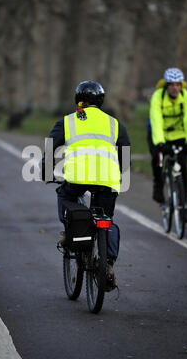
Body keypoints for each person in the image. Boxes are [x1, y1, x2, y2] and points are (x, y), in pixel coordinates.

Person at [42, 81, 130, 288]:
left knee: (65, 196)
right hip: (107, 180)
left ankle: (68, 232)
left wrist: (47, 172)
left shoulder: (68, 121)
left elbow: (49, 149)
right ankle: (107, 264)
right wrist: (118, 174)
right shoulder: (114, 123)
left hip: (77, 179)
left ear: (78, 100)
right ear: (101, 102)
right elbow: (125, 157)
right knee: (106, 218)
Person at [148, 68, 187, 221]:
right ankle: (158, 187)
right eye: (172, 85)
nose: (175, 88)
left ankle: (184, 206)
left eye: (178, 85)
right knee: (157, 157)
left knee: (182, 166)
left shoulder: (186, 97)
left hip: (178, 135)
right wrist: (160, 143)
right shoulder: (158, 97)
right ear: (166, 86)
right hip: (159, 134)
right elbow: (156, 120)